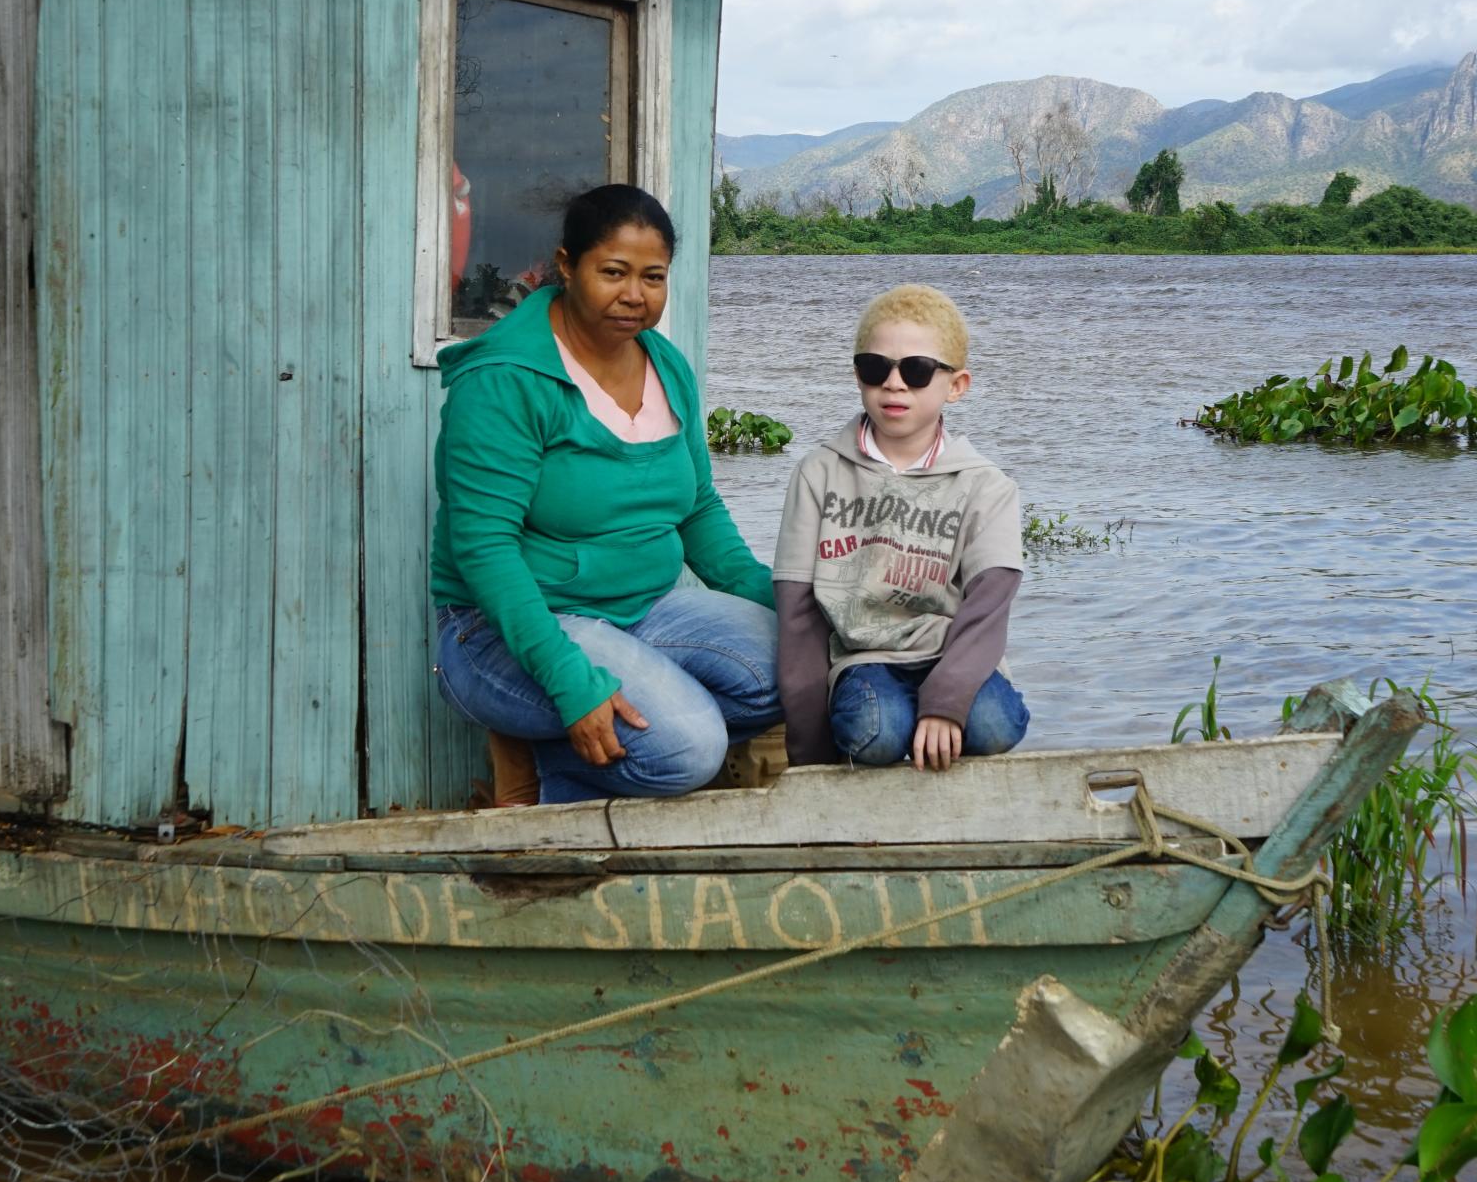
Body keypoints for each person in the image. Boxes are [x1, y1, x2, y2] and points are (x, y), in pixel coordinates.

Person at [430, 184, 779, 804]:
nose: (634, 296)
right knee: (691, 747)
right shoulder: (506, 380)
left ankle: (579, 741)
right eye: (613, 273)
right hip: (505, 631)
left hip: (644, 611)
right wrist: (571, 680)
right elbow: (485, 548)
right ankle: (542, 781)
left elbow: (698, 509)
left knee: (803, 672)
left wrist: (786, 608)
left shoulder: (665, 365)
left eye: (653, 277)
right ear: (566, 266)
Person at [772, 283, 1030, 770]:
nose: (894, 384)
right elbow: (797, 616)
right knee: (877, 733)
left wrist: (946, 703)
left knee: (995, 725)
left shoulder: (988, 486)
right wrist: (808, 761)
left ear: (956, 385)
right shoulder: (818, 473)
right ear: (857, 375)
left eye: (916, 371)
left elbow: (987, 611)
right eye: (876, 368)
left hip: (955, 652)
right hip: (865, 660)